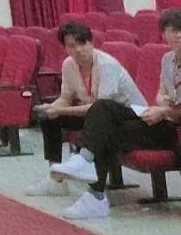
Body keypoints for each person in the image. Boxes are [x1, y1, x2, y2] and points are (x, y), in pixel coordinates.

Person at [49, 9, 181, 218]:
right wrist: (161, 102)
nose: (177, 35)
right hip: (159, 118)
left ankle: (94, 189)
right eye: (172, 30)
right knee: (103, 112)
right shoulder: (167, 59)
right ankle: (91, 185)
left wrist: (163, 110)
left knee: (103, 120)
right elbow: (161, 92)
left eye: (180, 30)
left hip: (174, 128)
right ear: (164, 34)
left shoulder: (106, 64)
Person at [25, 19, 146, 218]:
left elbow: (100, 108)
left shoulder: (107, 65)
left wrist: (61, 110)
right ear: (65, 48)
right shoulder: (68, 65)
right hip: (97, 114)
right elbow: (65, 98)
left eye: (83, 43)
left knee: (98, 119)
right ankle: (56, 180)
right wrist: (52, 108)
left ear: (91, 43)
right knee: (49, 117)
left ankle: (95, 191)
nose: (78, 50)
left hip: (129, 116)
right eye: (72, 45)